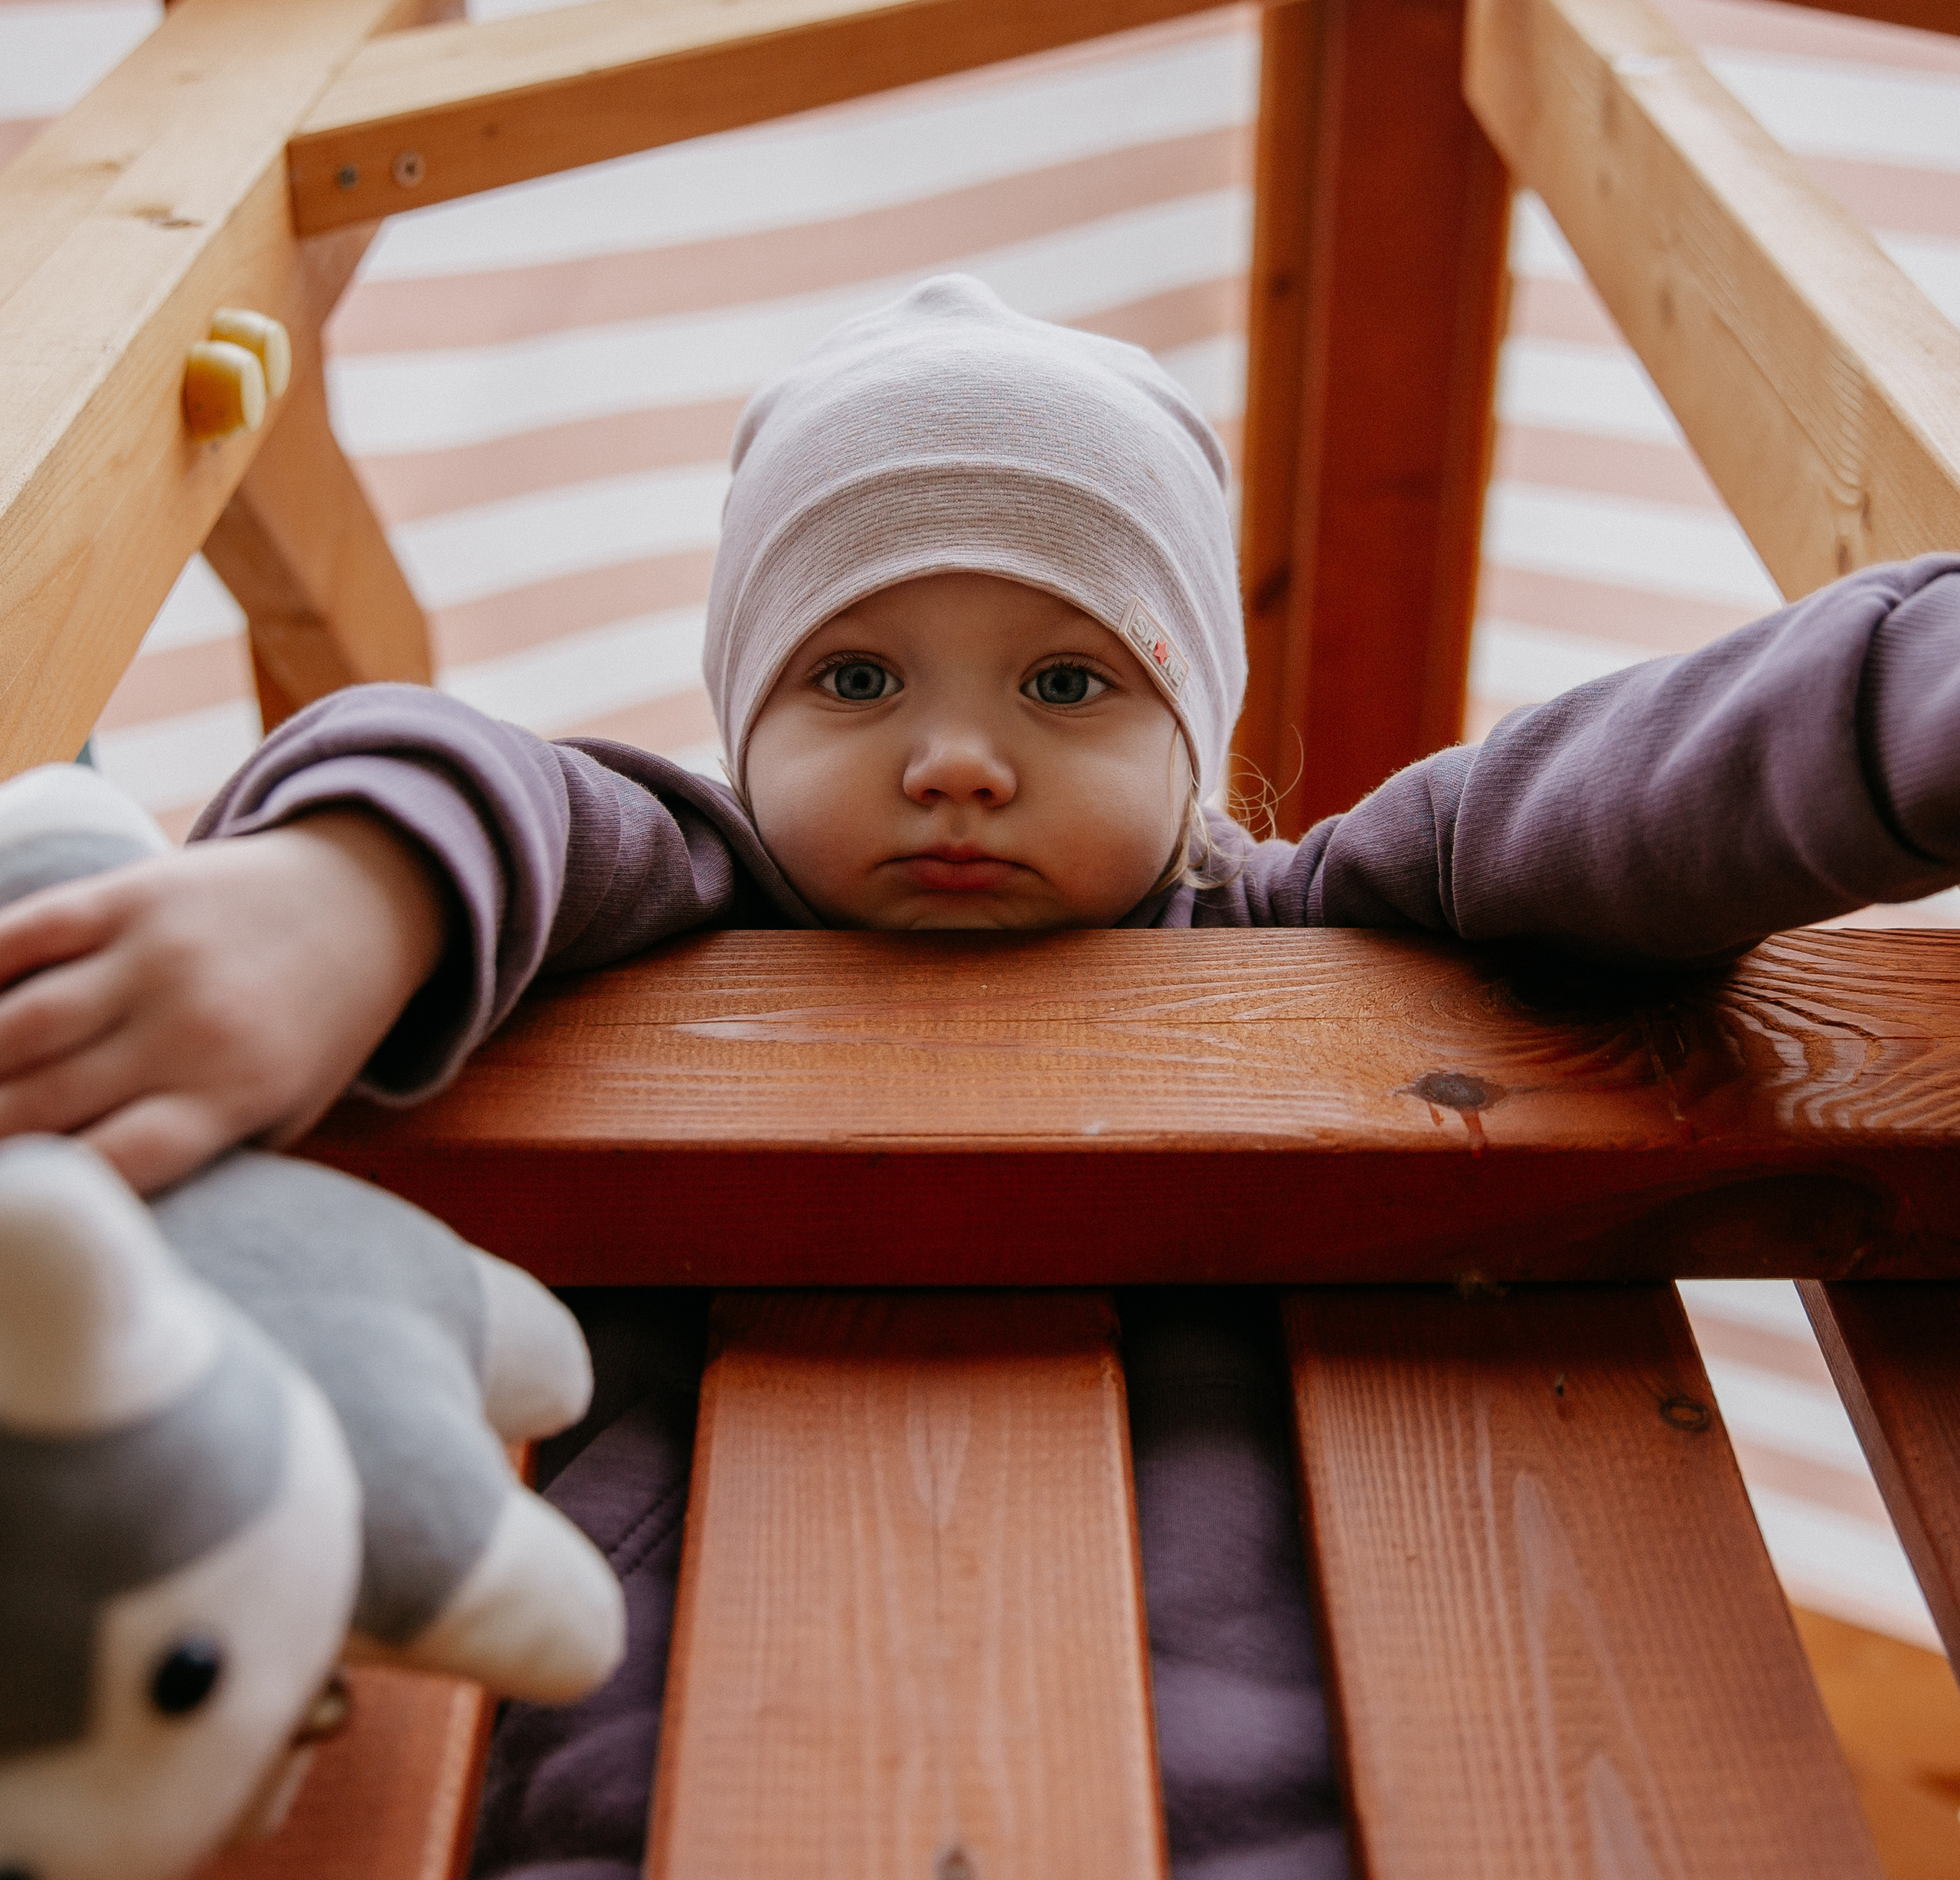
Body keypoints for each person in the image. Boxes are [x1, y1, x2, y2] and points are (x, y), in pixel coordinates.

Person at [1, 274, 1957, 1880]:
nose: (955, 757)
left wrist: (1903, 700)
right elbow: (501, 781)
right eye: (853, 677)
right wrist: (337, 896)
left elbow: (1619, 787)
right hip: (640, 1804)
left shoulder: (1322, 924)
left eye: (1064, 680)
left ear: (1192, 733)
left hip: (1308, 1803)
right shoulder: (665, 896)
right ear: (741, 723)